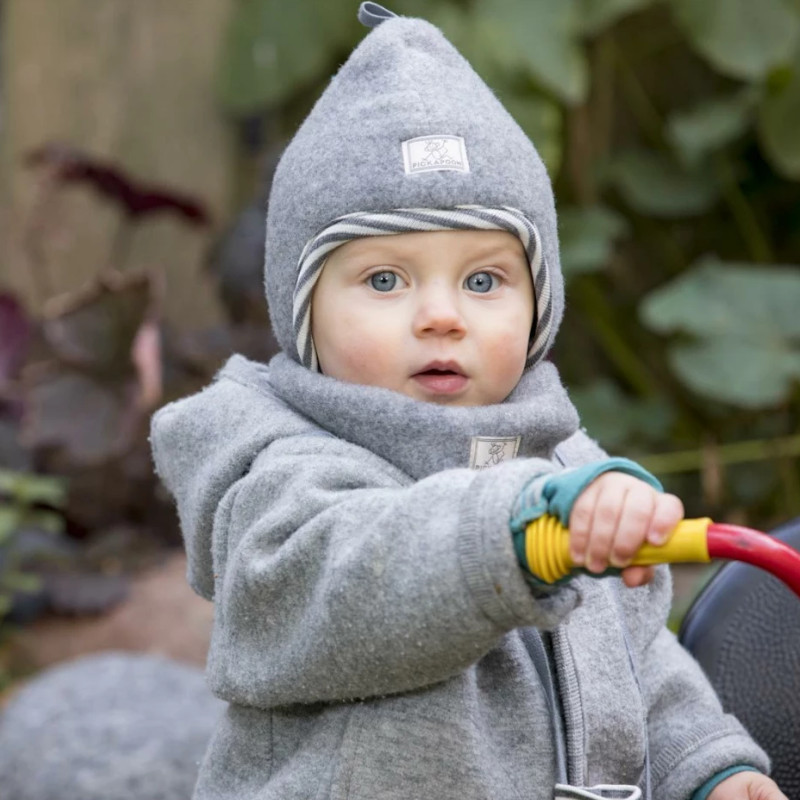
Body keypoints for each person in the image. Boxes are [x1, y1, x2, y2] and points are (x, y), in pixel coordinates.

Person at [150, 5, 785, 800]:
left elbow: (637, 661)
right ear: (302, 310)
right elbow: (353, 578)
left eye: (483, 280)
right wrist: (514, 528)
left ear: (539, 306)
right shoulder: (281, 478)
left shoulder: (563, 464)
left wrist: (707, 766)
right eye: (385, 279)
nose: (442, 315)